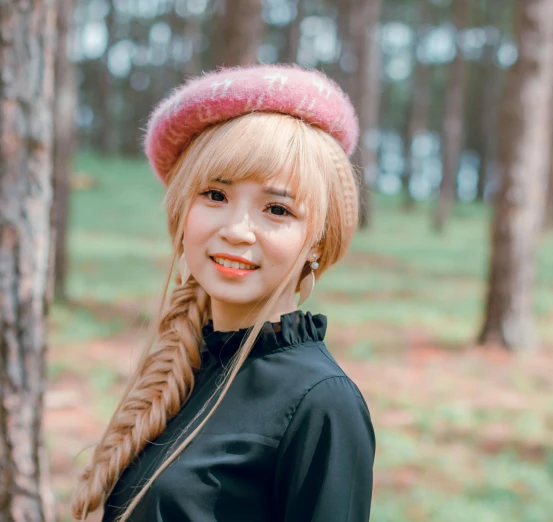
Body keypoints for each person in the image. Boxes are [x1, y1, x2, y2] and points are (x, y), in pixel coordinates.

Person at [72, 65, 376, 522]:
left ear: (316, 239)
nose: (236, 230)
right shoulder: (184, 366)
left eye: (277, 209)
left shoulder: (322, 404)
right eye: (215, 195)